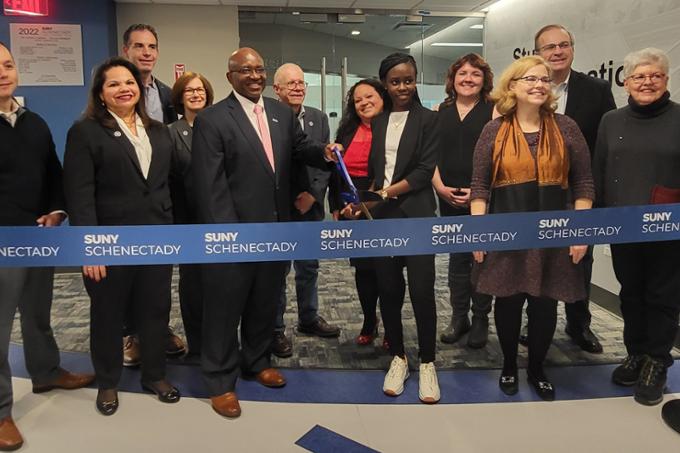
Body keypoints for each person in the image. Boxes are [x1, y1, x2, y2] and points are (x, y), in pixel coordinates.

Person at [191, 48, 339, 419]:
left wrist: (325, 152)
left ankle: (255, 362)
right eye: (246, 70)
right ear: (230, 77)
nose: (254, 75)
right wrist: (228, 238)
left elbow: (300, 149)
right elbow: (210, 185)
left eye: (259, 69)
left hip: (276, 230)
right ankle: (220, 380)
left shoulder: (279, 113)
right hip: (235, 235)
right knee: (225, 310)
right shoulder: (212, 120)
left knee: (263, 303)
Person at [470, 55, 594, 401]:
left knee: (544, 306)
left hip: (554, 235)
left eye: (544, 79)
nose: (539, 85)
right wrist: (478, 234)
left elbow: (583, 183)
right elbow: (479, 187)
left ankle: (538, 368)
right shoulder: (493, 130)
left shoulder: (566, 126)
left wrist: (581, 231)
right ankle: (509, 365)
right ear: (512, 86)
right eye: (530, 79)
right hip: (506, 234)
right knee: (507, 304)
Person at [63, 57, 181, 416]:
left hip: (157, 239)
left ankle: (155, 375)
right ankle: (108, 382)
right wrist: (90, 248)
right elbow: (79, 194)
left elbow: (167, 186)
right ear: (100, 93)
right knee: (108, 314)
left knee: (155, 309)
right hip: (108, 244)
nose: (123, 88)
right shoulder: (85, 131)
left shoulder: (159, 130)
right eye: (113, 84)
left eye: (128, 82)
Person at [0, 41, 94, 450]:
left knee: (38, 312)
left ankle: (46, 371)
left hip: (37, 239)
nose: (3, 72)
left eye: (7, 64)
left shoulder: (33, 121)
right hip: (1, 243)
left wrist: (57, 210)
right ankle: (1, 412)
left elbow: (53, 172)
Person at [521, 24, 617, 353]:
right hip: (531, 193)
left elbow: (605, 144)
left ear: (572, 49)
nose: (557, 52)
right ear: (538, 53)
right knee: (532, 257)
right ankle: (533, 322)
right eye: (549, 47)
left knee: (579, 259)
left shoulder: (597, 89)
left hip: (578, 191)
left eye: (564, 45)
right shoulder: (526, 89)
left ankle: (579, 325)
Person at [593, 48, 680, 406]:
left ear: (666, 80)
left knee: (662, 296)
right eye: (639, 76)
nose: (647, 82)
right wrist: (595, 220)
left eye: (654, 76)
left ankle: (657, 362)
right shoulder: (611, 120)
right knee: (630, 292)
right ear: (626, 82)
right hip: (621, 227)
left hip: (668, 230)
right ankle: (636, 352)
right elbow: (600, 169)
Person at [367, 53, 440, 404]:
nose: (403, 87)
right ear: (385, 83)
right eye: (395, 81)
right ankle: (399, 357)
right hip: (383, 218)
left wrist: (384, 193)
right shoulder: (378, 122)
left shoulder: (429, 119)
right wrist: (365, 201)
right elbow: (376, 171)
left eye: (408, 80)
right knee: (390, 291)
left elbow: (425, 172)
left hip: (417, 215)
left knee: (423, 292)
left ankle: (428, 362)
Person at [122, 23, 184, 365]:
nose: (146, 52)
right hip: (126, 199)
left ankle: (158, 329)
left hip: (161, 195)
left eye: (151, 47)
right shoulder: (112, 89)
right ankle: (131, 334)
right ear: (125, 50)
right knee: (129, 273)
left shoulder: (165, 93)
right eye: (139, 46)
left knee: (160, 272)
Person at [270, 63, 339, 359]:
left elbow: (325, 161)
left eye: (301, 83)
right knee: (277, 271)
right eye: (291, 84)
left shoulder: (318, 117)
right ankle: (275, 329)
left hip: (310, 206)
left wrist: (313, 195)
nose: (298, 88)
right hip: (279, 209)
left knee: (309, 267)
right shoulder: (269, 117)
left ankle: (308, 319)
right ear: (277, 90)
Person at [433, 53, 495, 348]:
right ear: (453, 79)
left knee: (481, 257)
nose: (468, 79)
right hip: (447, 196)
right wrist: (440, 188)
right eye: (462, 74)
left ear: (484, 81)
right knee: (457, 259)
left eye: (475, 74)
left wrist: (480, 191)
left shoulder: (495, 112)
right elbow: (428, 157)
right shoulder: (439, 111)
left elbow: (500, 159)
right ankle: (459, 317)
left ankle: (481, 317)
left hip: (482, 198)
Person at [330, 78, 387, 347]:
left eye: (369, 96)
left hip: (386, 205)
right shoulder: (348, 130)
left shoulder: (393, 127)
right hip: (352, 208)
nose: (364, 103)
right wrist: (336, 206)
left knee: (387, 269)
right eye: (357, 100)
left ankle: (393, 325)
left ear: (382, 96)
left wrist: (370, 202)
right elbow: (337, 172)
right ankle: (369, 321)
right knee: (363, 270)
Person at [168, 72, 215, 360]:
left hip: (220, 220)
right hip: (187, 222)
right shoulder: (170, 132)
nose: (196, 94)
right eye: (189, 91)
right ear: (180, 97)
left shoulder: (221, 127)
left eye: (200, 89)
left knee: (220, 286)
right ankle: (197, 346)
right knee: (192, 286)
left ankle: (219, 343)